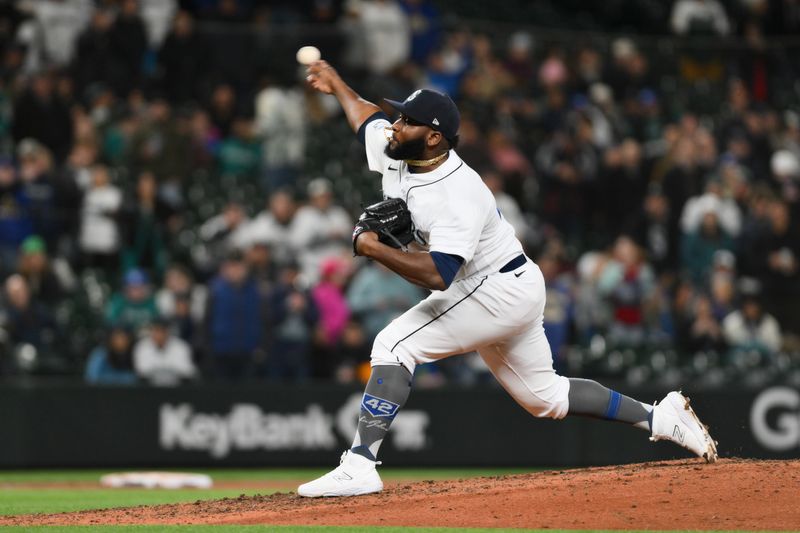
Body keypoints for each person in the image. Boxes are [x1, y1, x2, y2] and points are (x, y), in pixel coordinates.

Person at [297, 61, 718, 498]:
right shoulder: (398, 147)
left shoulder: (459, 193)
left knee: (394, 345)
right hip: (509, 283)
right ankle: (661, 417)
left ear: (435, 137)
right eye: (399, 117)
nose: (396, 126)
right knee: (545, 398)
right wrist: (336, 85)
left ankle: (360, 465)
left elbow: (439, 276)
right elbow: (366, 115)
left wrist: (370, 247)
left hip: (492, 287)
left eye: (406, 120)